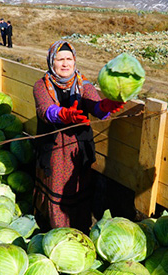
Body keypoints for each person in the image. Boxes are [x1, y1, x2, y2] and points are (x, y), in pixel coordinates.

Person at [32, 40, 125, 233]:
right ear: (51, 62)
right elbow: (44, 109)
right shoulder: (41, 85)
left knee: (80, 187)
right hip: (54, 148)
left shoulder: (84, 85)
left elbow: (96, 107)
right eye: (60, 59)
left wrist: (106, 106)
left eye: (69, 59)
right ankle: (58, 232)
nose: (65, 64)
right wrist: (62, 114)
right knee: (57, 189)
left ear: (74, 61)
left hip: (79, 148)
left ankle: (81, 229)